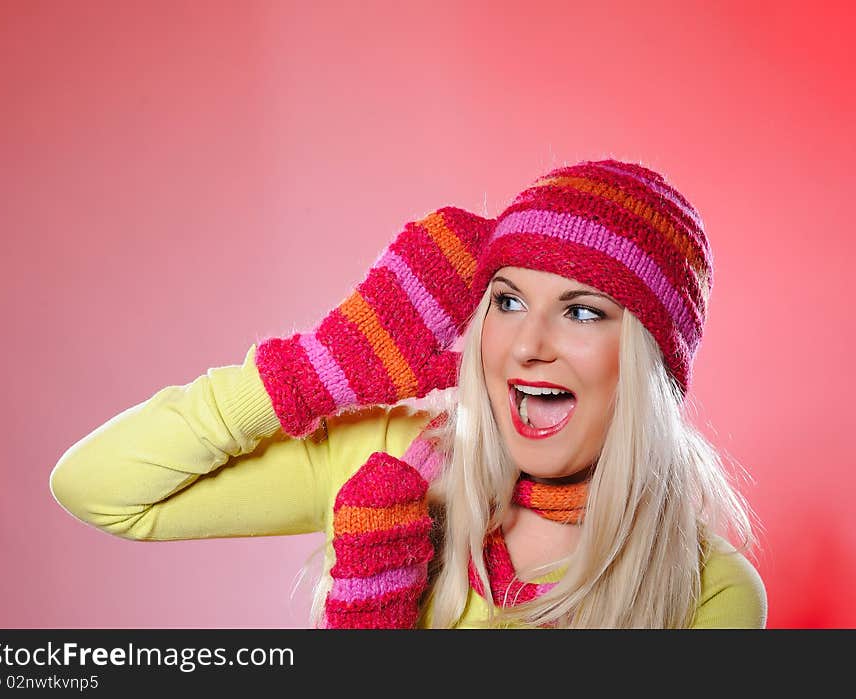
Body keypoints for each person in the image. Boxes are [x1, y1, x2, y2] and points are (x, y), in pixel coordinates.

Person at [50, 158, 767, 629]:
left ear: (648, 365)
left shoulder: (708, 592)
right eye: (508, 301)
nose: (527, 344)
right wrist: (313, 369)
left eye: (582, 312)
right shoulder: (393, 459)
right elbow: (100, 487)